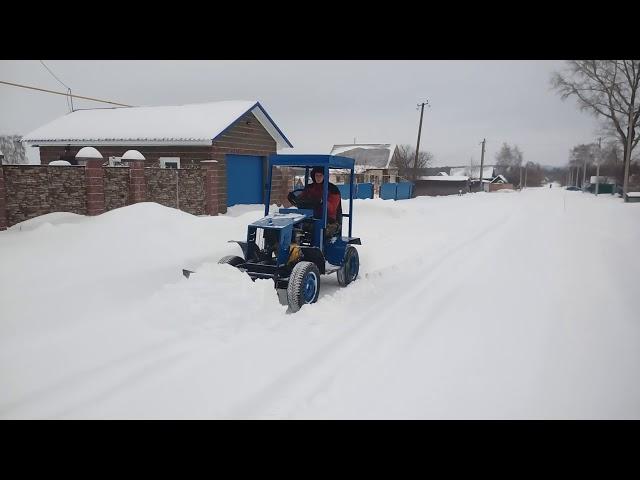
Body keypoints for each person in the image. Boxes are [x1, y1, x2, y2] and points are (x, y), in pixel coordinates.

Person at [288, 166, 342, 238]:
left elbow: (332, 208)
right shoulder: (309, 187)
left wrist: (323, 202)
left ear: (325, 176)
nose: (318, 177)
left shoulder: (333, 189)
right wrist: (294, 198)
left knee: (316, 227)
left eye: (320, 175)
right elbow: (301, 199)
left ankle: (316, 247)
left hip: (329, 219)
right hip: (309, 216)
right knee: (292, 226)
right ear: (313, 175)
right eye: (316, 175)